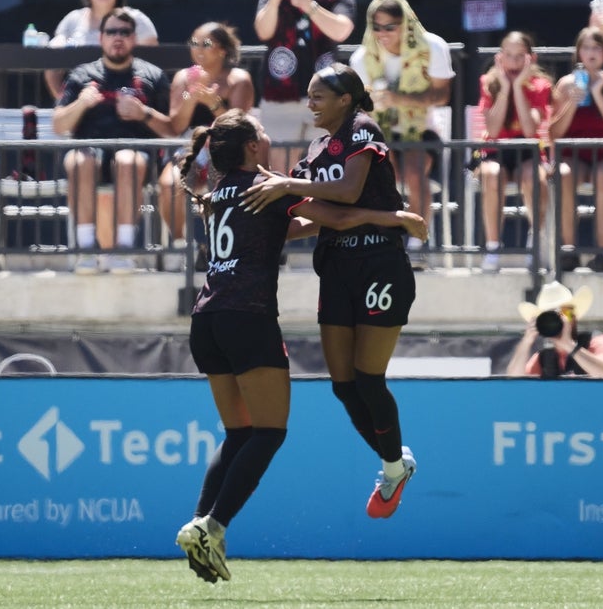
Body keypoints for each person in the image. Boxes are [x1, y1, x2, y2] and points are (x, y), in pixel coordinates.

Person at [173, 111, 426, 582]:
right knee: (269, 432)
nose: (268, 136)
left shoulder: (221, 193)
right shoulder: (268, 186)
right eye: (261, 131)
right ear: (252, 147)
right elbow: (340, 216)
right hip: (247, 320)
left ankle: (199, 525)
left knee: (239, 434)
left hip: (206, 321)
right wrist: (393, 218)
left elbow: (293, 229)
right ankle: (213, 525)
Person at [241, 63, 424, 521]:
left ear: (345, 99)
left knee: (368, 379)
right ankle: (395, 464)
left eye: (318, 96)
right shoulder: (317, 147)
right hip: (337, 268)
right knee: (343, 386)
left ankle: (393, 465)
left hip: (379, 263)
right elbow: (311, 218)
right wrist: (254, 229)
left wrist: (287, 184)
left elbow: (348, 191)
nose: (310, 103)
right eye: (308, 95)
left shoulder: (363, 128)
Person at [52, 7, 174, 274]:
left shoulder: (153, 75)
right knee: (79, 160)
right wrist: (81, 104)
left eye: (125, 32)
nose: (118, 37)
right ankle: (86, 249)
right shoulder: (81, 75)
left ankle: (124, 249)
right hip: (89, 151)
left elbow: (172, 129)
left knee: (126, 159)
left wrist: (144, 113)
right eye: (111, 31)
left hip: (137, 155)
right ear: (101, 37)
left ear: (134, 38)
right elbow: (58, 125)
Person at [349, 0, 454, 268]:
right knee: (380, 175)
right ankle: (385, 241)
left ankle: (417, 243)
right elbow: (357, 107)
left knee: (414, 172)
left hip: (421, 128)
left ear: (405, 24)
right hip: (379, 129)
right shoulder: (362, 57)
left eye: (390, 27)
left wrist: (399, 99)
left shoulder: (432, 46)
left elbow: (442, 96)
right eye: (376, 27)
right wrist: (374, 103)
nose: (382, 34)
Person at [254, 0, 355, 171]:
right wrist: (274, 1)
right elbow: (263, 32)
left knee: (324, 166)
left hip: (325, 95)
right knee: (279, 169)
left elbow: (341, 31)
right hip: (281, 95)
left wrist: (310, 7)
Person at [159, 22, 254, 252]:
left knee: (222, 186)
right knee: (170, 184)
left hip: (226, 150)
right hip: (189, 149)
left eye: (206, 44)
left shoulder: (238, 79)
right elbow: (176, 125)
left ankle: (223, 246)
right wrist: (191, 96)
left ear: (222, 50)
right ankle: (179, 244)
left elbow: (238, 125)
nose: (198, 49)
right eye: (194, 43)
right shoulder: (182, 78)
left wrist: (214, 104)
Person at [550, 28, 603, 273]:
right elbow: (554, 133)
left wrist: (598, 93)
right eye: (585, 48)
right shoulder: (566, 85)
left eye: (596, 47)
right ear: (578, 53)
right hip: (575, 154)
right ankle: (569, 250)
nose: (591, 53)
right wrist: (571, 103)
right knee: (563, 174)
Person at [474, 31, 552, 272]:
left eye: (520, 56)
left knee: (534, 178)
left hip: (527, 150)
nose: (514, 62)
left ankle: (535, 241)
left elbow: (529, 130)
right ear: (500, 58)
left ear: (531, 59)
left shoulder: (540, 85)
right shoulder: (489, 82)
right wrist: (505, 88)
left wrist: (518, 87)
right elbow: (493, 129)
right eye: (508, 55)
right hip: (496, 149)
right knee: (491, 175)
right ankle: (493, 246)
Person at [44, 0, 158, 99]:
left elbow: (152, 66)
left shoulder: (137, 20)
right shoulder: (72, 20)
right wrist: (64, 103)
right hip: (82, 101)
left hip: (127, 99)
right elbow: (52, 65)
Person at [505, 281, 603, 378]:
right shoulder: (543, 358)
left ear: (574, 316)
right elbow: (514, 382)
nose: (559, 320)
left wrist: (570, 346)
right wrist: (526, 341)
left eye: (565, 313)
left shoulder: (595, 341)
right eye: (550, 317)